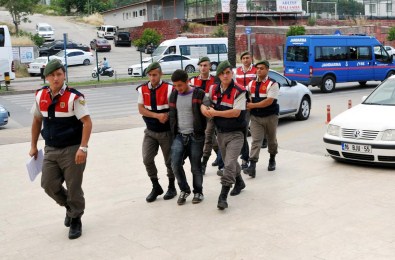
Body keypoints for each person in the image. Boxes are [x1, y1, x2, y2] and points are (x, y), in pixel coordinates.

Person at [29, 59, 92, 240]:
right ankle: (70, 208)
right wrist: (33, 145)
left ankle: (76, 219)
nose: (56, 78)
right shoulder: (40, 95)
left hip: (73, 150)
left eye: (59, 74)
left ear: (64, 75)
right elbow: (36, 121)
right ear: (47, 77)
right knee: (48, 184)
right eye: (52, 75)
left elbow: (87, 122)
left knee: (74, 187)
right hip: (50, 149)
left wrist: (83, 148)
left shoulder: (74, 97)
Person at [201, 60, 247, 210]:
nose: (225, 75)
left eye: (228, 72)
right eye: (222, 73)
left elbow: (236, 112)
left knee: (228, 164)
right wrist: (204, 109)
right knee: (231, 161)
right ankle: (239, 182)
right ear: (219, 75)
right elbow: (205, 102)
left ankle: (223, 196)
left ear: (232, 73)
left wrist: (215, 113)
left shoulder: (239, 91)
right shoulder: (213, 89)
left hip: (236, 134)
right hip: (220, 133)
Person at [136, 62, 177, 203]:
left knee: (169, 162)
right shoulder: (142, 89)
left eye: (155, 75)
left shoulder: (169, 88)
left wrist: (167, 116)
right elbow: (141, 109)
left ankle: (172, 186)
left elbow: (174, 109)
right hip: (150, 131)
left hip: (166, 132)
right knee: (147, 159)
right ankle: (156, 186)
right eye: (150, 75)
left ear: (161, 74)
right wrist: (157, 116)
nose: (152, 78)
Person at [169, 69, 210, 205]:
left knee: (195, 167)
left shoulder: (199, 94)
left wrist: (205, 108)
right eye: (175, 86)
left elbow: (208, 108)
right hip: (179, 136)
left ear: (187, 81)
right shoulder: (174, 95)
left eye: (180, 85)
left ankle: (198, 192)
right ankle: (184, 190)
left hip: (196, 136)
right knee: (174, 163)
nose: (177, 88)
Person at [243, 60, 279, 178]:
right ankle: (252, 166)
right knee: (256, 141)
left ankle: (272, 159)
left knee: (271, 140)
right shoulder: (251, 84)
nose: (259, 70)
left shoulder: (273, 84)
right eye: (257, 68)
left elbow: (269, 101)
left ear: (267, 69)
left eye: (261, 68)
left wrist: (253, 105)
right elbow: (246, 96)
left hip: (270, 117)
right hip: (256, 118)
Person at [188, 56, 222, 174]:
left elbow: (218, 96)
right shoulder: (192, 81)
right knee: (210, 137)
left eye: (205, 65)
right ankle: (219, 155)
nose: (203, 68)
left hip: (211, 113)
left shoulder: (216, 80)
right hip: (197, 114)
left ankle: (204, 164)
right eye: (201, 65)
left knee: (208, 136)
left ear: (209, 66)